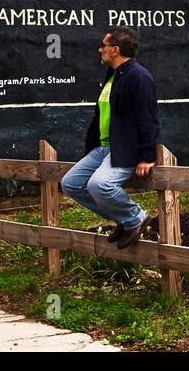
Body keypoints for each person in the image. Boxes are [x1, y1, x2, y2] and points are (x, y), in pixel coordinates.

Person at [59, 26, 160, 249]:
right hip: (104, 148)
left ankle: (136, 217)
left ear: (115, 50)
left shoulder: (139, 77)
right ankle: (124, 219)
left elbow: (149, 118)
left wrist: (147, 156)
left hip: (125, 149)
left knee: (99, 184)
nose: (99, 50)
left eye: (103, 46)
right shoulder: (114, 76)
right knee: (71, 184)